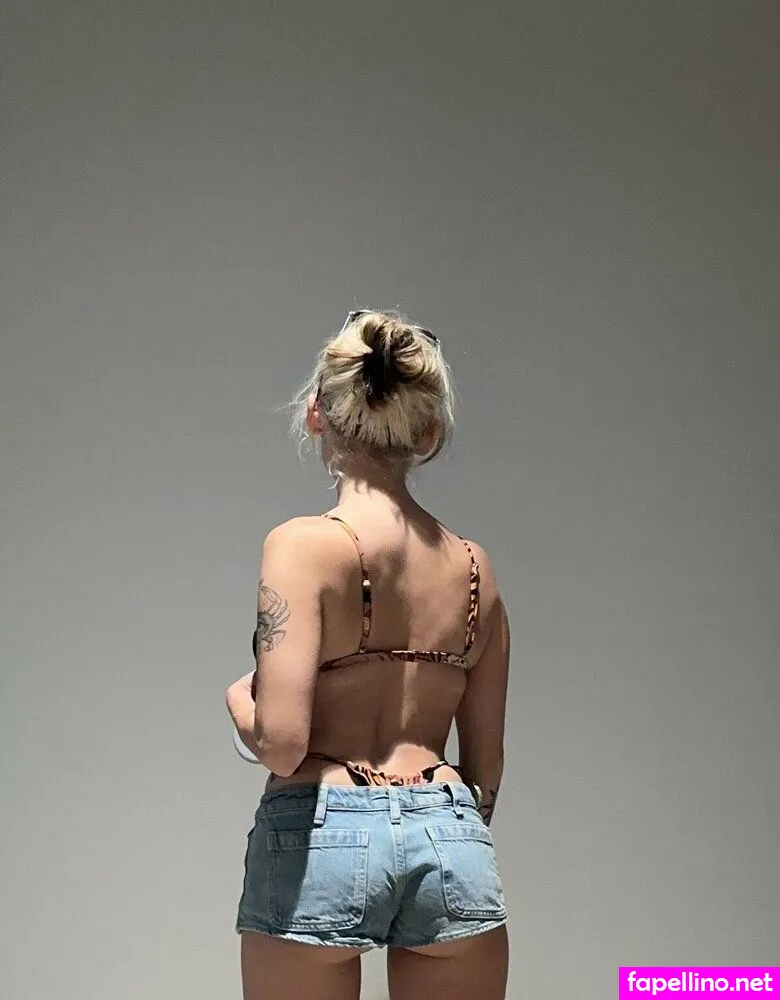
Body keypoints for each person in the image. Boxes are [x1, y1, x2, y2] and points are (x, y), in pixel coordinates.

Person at [225, 308, 510, 1000]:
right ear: (428, 432)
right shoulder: (475, 569)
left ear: (316, 414)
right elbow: (486, 772)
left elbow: (283, 745)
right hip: (448, 828)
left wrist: (238, 702)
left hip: (320, 828)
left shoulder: (302, 546)